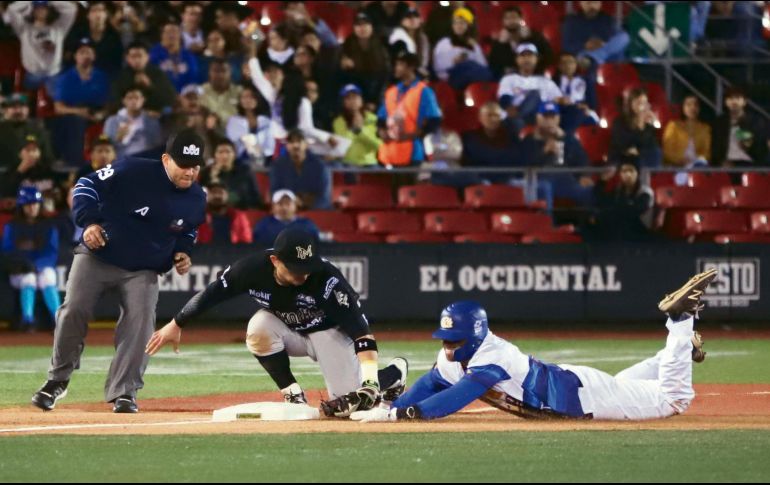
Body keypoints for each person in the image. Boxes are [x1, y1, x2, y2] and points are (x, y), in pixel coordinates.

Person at [350, 269, 715, 422]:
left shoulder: (494, 355)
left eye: (454, 340)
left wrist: (401, 415)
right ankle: (678, 348)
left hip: (580, 399)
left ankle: (681, 322)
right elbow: (432, 384)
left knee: (673, 401)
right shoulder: (457, 354)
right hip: (580, 388)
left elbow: (455, 398)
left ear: (475, 335)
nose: (448, 347)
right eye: (445, 340)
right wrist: (394, 404)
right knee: (622, 384)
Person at [30, 129, 207, 414]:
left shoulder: (197, 198)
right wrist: (88, 223)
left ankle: (125, 392)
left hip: (144, 268)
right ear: (165, 159)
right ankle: (57, 381)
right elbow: (86, 184)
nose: (190, 172)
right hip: (99, 253)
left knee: (140, 324)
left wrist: (184, 252)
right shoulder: (132, 169)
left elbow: (189, 229)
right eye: (184, 165)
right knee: (73, 309)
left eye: (196, 166)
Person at [146, 227, 409, 418]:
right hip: (289, 329)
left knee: (349, 402)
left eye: (305, 267)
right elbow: (212, 294)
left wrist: (371, 383)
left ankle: (394, 374)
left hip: (328, 334)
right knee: (258, 328)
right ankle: (292, 392)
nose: (302, 275)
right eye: (294, 268)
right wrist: (176, 323)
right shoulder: (251, 269)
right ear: (275, 260)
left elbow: (362, 334)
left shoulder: (327, 279)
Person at [1, 186, 61, 332]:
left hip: (42, 268)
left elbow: (52, 252)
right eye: (28, 204)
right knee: (29, 278)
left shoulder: (48, 225)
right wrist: (23, 264)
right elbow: (7, 250)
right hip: (20, 270)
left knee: (47, 277)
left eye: (35, 204)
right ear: (22, 206)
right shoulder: (12, 226)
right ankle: (28, 319)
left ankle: (59, 319)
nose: (32, 207)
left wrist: (37, 265)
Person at [247, 52, 335, 146]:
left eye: (282, 80)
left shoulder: (302, 103)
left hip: (294, 144)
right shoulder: (276, 97)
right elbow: (258, 80)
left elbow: (306, 128)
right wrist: (252, 55)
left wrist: (326, 137)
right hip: (280, 145)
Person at [519, 102, 593, 210]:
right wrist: (544, 152)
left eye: (553, 117)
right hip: (541, 179)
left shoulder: (568, 139)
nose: (549, 121)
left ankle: (587, 224)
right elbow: (524, 165)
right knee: (545, 188)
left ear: (558, 119)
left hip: (566, 179)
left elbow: (582, 159)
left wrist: (584, 176)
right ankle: (546, 224)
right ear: (538, 118)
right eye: (545, 117)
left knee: (590, 191)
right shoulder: (529, 140)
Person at [51, 38, 111, 166]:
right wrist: (78, 112)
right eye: (82, 52)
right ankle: (75, 162)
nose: (86, 56)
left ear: (94, 56)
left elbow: (108, 103)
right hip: (73, 111)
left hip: (96, 111)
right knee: (73, 122)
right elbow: (58, 108)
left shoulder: (101, 76)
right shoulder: (65, 78)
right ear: (75, 57)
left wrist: (102, 113)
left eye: (89, 52)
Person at [377, 52, 442, 167]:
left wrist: (416, 135)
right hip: (389, 153)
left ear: (411, 67)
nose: (396, 68)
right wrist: (382, 131)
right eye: (396, 64)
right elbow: (381, 119)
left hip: (413, 153)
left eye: (400, 65)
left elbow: (434, 120)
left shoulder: (424, 91)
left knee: (410, 185)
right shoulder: (391, 91)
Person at [3, 0, 77, 91]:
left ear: (49, 10)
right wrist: (30, 2)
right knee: (26, 98)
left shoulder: (59, 28)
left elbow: (71, 9)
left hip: (54, 74)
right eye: (37, 8)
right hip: (33, 75)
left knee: (63, 97)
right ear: (32, 11)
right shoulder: (24, 29)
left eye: (43, 8)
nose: (41, 11)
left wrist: (51, 1)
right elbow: (12, 10)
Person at [586, 156, 654, 242]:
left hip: (640, 230)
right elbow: (602, 201)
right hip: (620, 229)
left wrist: (603, 215)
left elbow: (633, 212)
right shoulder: (619, 190)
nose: (628, 175)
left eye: (631, 171)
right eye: (624, 171)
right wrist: (602, 181)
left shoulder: (645, 192)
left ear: (637, 173)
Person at [497, 43, 564, 128]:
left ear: (536, 59)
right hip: (514, 118)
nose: (527, 59)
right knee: (534, 95)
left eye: (530, 55)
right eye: (523, 55)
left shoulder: (546, 81)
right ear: (517, 59)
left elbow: (559, 100)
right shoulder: (509, 79)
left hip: (539, 118)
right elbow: (504, 99)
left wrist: (563, 101)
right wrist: (509, 108)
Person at [111, 41, 178, 117]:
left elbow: (169, 98)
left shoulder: (157, 73)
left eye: (140, 56)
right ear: (127, 58)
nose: (137, 60)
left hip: (154, 114)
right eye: (133, 56)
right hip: (130, 116)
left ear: (147, 57)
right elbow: (116, 101)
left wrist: (150, 86)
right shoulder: (121, 76)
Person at [269, 129, 331, 210]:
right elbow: (275, 192)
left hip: (317, 212)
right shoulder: (277, 166)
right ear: (286, 146)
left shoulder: (320, 166)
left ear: (306, 144)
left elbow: (324, 197)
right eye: (291, 142)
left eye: (299, 141)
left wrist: (305, 204)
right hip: (287, 210)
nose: (295, 145)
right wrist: (291, 202)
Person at [340, 12, 391, 107]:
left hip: (378, 93)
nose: (362, 28)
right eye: (358, 25)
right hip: (355, 95)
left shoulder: (382, 45)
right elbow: (344, 78)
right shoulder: (347, 46)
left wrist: (377, 101)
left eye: (365, 24)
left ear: (371, 26)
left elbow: (386, 75)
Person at [432, 7, 491, 89]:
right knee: (467, 65)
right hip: (452, 76)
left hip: (472, 75)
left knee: (472, 66)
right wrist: (454, 62)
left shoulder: (472, 44)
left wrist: (474, 50)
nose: (459, 26)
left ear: (468, 26)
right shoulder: (444, 43)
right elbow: (439, 68)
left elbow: (483, 66)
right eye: (456, 23)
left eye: (462, 23)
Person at [461, 102, 520, 184]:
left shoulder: (511, 137)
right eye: (489, 115)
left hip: (507, 180)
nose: (493, 119)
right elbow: (468, 165)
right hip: (479, 181)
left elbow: (514, 161)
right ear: (480, 118)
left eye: (496, 116)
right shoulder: (469, 139)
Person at [488, 6, 554, 79]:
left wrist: (534, 66)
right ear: (503, 21)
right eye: (507, 18)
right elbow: (494, 64)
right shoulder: (498, 42)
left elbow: (549, 56)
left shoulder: (534, 36)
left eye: (514, 17)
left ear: (521, 19)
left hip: (534, 75)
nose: (511, 21)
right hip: (510, 79)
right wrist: (502, 44)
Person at [711, 87, 769, 168]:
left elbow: (761, 150)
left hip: (749, 163)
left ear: (744, 102)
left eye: (738, 98)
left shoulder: (756, 122)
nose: (734, 101)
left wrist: (748, 145)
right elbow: (715, 149)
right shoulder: (719, 122)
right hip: (726, 164)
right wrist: (721, 162)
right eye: (730, 98)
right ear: (726, 102)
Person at [561, 1, 630, 68]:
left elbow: (613, 42)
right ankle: (594, 58)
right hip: (584, 53)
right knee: (583, 58)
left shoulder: (607, 19)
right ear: (581, 3)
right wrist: (585, 45)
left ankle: (595, 58)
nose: (592, 6)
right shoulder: (571, 21)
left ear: (600, 4)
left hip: (605, 51)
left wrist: (601, 43)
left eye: (595, 2)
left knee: (624, 36)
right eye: (588, 3)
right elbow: (567, 46)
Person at [199, 138, 263, 209]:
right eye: (220, 152)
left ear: (234, 154)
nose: (224, 156)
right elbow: (201, 199)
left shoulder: (245, 171)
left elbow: (256, 198)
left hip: (241, 210)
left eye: (228, 152)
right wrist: (214, 178)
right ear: (214, 155)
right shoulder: (206, 173)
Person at [64, 1, 123, 76]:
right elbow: (68, 57)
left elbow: (117, 63)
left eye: (101, 10)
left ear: (106, 15)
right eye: (94, 10)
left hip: (105, 77)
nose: (98, 14)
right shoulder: (78, 33)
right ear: (88, 15)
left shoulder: (114, 36)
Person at [608, 88, 663, 168]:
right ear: (631, 104)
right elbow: (624, 144)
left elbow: (651, 144)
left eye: (644, 103)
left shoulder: (647, 124)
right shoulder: (620, 122)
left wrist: (646, 122)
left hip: (642, 157)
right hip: (624, 157)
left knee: (656, 152)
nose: (642, 106)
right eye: (638, 102)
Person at [104, 86, 163, 159]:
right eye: (130, 98)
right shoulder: (112, 121)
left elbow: (157, 144)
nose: (133, 101)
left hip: (147, 160)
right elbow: (106, 147)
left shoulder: (152, 120)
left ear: (143, 100)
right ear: (123, 100)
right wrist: (119, 138)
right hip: (122, 160)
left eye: (137, 98)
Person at [0, 93, 55, 171]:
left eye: (22, 106)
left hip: (32, 175)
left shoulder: (38, 131)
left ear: (28, 109)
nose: (18, 110)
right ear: (5, 110)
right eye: (13, 107)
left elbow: (48, 159)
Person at [332, 84, 382, 167]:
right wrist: (352, 127)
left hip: (369, 164)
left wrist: (360, 131)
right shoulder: (338, 122)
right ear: (343, 102)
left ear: (361, 100)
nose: (352, 101)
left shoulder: (373, 119)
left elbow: (378, 145)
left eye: (355, 97)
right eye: (348, 98)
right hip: (347, 164)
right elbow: (342, 146)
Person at [225, 85, 275, 163]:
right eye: (244, 97)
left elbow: (270, 147)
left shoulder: (266, 121)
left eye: (251, 97)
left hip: (264, 159)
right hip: (241, 159)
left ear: (257, 99)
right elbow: (233, 141)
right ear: (240, 101)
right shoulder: (233, 121)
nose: (248, 100)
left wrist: (262, 154)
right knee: (249, 138)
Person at [252, 190, 320, 247]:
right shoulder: (263, 225)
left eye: (288, 204)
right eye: (280, 204)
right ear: (273, 206)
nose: (284, 207)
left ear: (295, 206)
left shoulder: (307, 225)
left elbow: (315, 245)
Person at [0, 135, 57, 199]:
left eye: (34, 149)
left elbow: (57, 190)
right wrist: (20, 170)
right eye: (28, 150)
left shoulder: (48, 170)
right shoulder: (11, 172)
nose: (31, 153)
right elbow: (6, 193)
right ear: (20, 154)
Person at [149, 21, 200, 93]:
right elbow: (151, 78)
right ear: (162, 35)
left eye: (174, 32)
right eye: (168, 32)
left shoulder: (188, 56)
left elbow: (192, 78)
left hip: (184, 97)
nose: (171, 35)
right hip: (161, 96)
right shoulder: (153, 54)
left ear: (180, 34)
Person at [662, 95, 711, 168]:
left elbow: (707, 152)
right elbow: (667, 151)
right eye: (688, 105)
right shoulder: (673, 126)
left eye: (695, 105)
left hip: (697, 165)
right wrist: (680, 160)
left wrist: (698, 160)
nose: (692, 108)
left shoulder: (705, 128)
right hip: (676, 165)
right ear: (682, 107)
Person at [388, 7, 430, 79]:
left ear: (420, 20)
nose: (412, 19)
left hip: (417, 74)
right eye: (408, 17)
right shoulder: (398, 39)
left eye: (415, 16)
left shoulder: (423, 38)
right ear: (402, 21)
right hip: (401, 76)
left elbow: (424, 63)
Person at [200, 58, 243, 124]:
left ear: (230, 72)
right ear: (209, 72)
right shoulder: (200, 91)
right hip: (206, 131)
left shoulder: (239, 92)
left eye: (223, 71)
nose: (220, 75)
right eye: (216, 71)